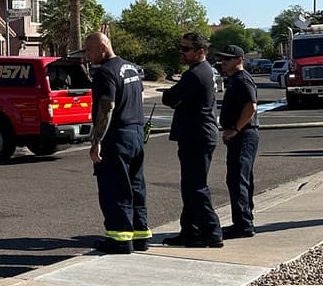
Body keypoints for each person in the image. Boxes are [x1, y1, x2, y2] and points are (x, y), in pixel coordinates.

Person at [84, 33, 149, 255]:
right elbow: (137, 98)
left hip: (117, 136)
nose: (87, 55)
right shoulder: (130, 68)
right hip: (136, 133)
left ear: (103, 47)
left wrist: (97, 140)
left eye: (89, 50)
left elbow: (107, 106)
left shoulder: (105, 73)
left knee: (115, 189)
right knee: (136, 186)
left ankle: (120, 239)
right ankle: (140, 236)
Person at [161, 32, 223, 248]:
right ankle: (189, 230)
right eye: (181, 47)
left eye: (186, 49)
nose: (182, 52)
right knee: (189, 187)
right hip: (197, 134)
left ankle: (212, 231)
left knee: (196, 187)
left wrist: (169, 94)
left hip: (197, 136)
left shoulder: (196, 74)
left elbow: (171, 97)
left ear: (200, 51)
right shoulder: (204, 71)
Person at [215, 45, 260, 239]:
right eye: (222, 59)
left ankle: (243, 224)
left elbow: (251, 107)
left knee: (238, 179)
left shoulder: (243, 80)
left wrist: (236, 129)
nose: (223, 62)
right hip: (239, 135)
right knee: (239, 178)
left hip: (245, 135)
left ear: (239, 60)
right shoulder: (233, 80)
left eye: (228, 59)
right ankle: (243, 220)